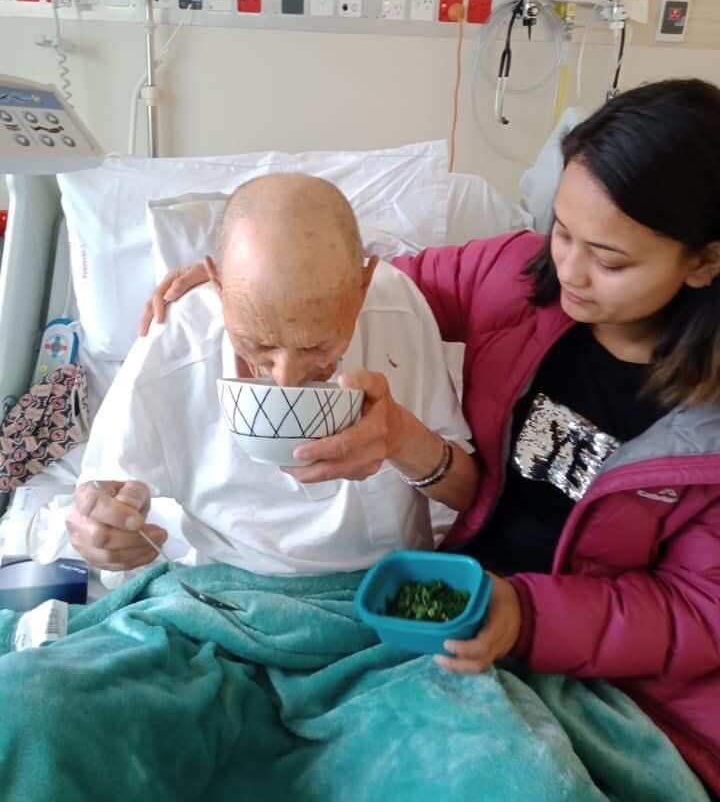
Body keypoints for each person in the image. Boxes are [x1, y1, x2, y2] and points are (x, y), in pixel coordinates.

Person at [148, 79, 720, 795]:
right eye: (563, 231)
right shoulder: (514, 279)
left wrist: (526, 615)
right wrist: (235, 295)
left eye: (609, 260)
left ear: (703, 261)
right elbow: (361, 290)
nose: (569, 270)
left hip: (609, 669)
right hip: (450, 606)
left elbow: (698, 612)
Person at [67, 173, 478, 577]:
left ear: (363, 287)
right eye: (259, 345)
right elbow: (102, 493)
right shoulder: (179, 334)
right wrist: (101, 531)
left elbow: (467, 494)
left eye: (317, 347)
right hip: (225, 590)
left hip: (383, 586)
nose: (287, 379)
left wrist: (402, 439)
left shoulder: (397, 306)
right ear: (218, 285)